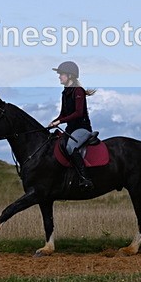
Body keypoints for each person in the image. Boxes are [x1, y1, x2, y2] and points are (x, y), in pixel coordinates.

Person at [47, 61, 97, 189]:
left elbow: (78, 113)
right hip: (71, 129)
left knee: (70, 147)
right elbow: (63, 114)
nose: (59, 77)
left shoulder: (78, 91)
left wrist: (60, 121)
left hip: (82, 128)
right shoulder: (65, 93)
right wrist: (54, 122)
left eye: (61, 74)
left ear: (69, 76)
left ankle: (85, 178)